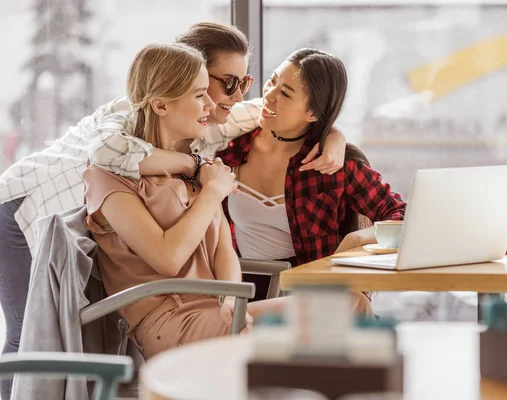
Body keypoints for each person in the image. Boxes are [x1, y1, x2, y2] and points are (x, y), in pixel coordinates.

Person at [0, 22, 344, 398]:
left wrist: (332, 136)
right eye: (221, 85)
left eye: (242, 82)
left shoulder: (198, 148)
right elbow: (107, 164)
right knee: (27, 339)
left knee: (347, 310)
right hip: (22, 204)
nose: (227, 99)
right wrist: (206, 184)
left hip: (204, 308)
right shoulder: (119, 139)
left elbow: (273, 114)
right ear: (180, 85)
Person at [83, 42, 368, 360]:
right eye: (198, 95)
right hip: (169, 324)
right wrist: (212, 193)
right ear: (162, 106)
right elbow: (168, 257)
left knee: (352, 303)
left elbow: (223, 250)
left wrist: (232, 299)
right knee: (339, 317)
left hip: (218, 312)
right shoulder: (107, 177)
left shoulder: (194, 163)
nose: (211, 105)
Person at [215, 49, 406, 298]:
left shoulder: (332, 165)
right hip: (237, 291)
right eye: (272, 81)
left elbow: (403, 217)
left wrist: (357, 239)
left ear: (313, 113)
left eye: (285, 93)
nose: (269, 95)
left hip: (309, 294)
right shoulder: (230, 149)